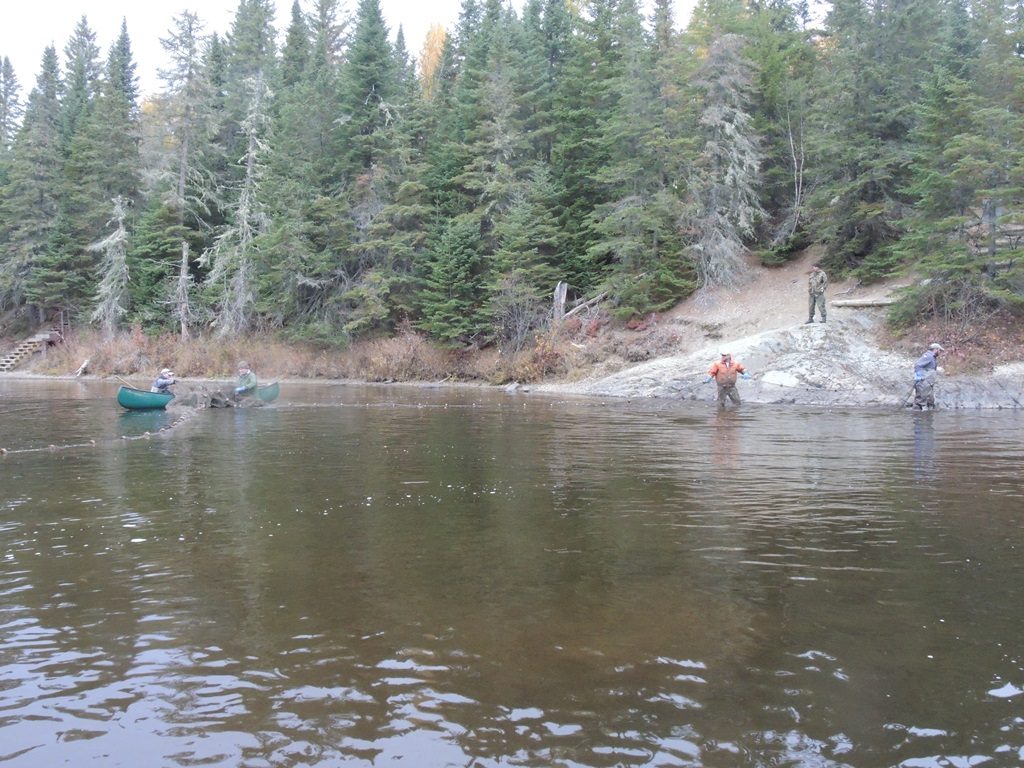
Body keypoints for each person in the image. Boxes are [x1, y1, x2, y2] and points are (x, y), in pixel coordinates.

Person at [912, 342, 944, 410]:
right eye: (939, 350)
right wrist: (918, 375)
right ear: (935, 349)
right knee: (920, 399)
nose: (940, 352)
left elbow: (929, 368)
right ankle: (918, 414)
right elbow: (918, 365)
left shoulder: (932, 357)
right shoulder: (928, 356)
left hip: (929, 383)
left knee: (930, 399)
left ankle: (928, 412)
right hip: (923, 382)